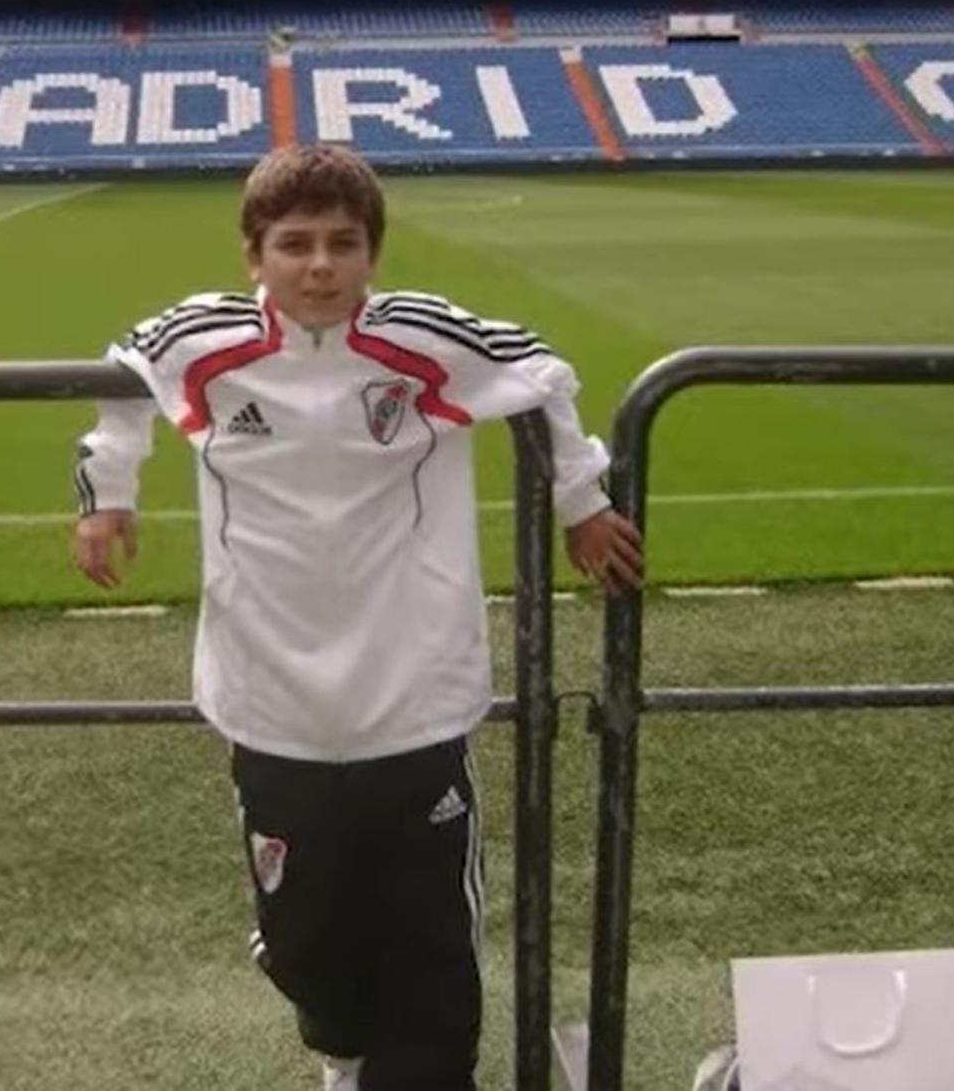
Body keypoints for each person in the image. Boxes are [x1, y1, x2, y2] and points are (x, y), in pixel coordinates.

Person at [71, 144, 642, 1091]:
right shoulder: (203, 341)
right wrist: (107, 492)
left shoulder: (423, 339)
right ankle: (347, 1050)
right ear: (254, 255)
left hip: (412, 695)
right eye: (294, 244)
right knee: (307, 948)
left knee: (433, 962)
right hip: (271, 698)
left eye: (343, 243)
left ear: (373, 254)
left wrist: (581, 502)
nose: (320, 266)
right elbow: (123, 370)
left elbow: (541, 371)